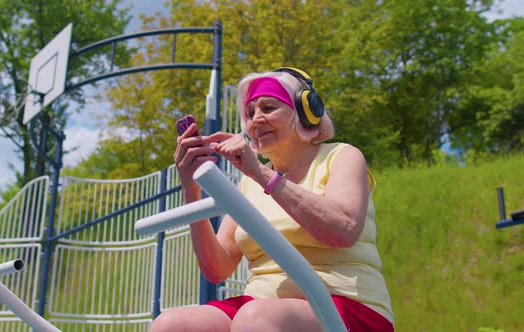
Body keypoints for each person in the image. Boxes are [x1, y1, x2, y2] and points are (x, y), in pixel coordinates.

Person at [150, 67, 394, 332]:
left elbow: (342, 230)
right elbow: (217, 269)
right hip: (260, 306)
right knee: (171, 325)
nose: (256, 119)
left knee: (256, 318)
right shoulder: (247, 184)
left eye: (268, 108)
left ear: (304, 111)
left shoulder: (342, 156)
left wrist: (261, 173)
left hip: (348, 306)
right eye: (250, 113)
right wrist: (191, 188)